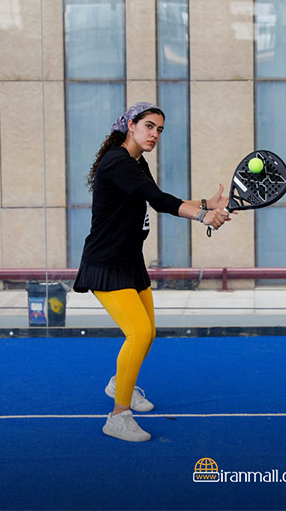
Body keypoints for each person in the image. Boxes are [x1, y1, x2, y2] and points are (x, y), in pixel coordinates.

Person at [73, 102, 230, 442]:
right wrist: (203, 217)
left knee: (148, 333)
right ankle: (117, 417)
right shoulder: (117, 161)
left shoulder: (136, 162)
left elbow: (155, 198)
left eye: (159, 130)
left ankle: (121, 383)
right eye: (148, 126)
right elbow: (158, 198)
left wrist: (206, 204)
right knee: (139, 333)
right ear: (130, 125)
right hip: (106, 264)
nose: (155, 134)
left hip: (130, 262)